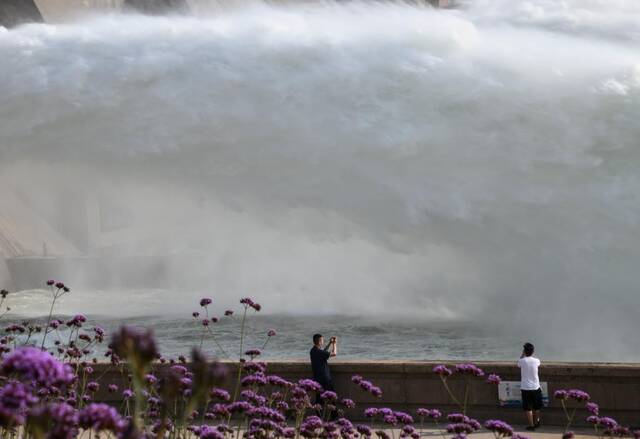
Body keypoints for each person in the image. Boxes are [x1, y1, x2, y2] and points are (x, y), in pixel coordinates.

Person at [518, 342, 542, 431]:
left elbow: (518, 363)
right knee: (537, 406)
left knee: (528, 407)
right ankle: (536, 423)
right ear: (533, 351)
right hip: (536, 387)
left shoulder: (522, 361)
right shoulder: (536, 360)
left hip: (525, 388)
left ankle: (531, 425)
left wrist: (523, 354)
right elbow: (537, 363)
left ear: (524, 351)